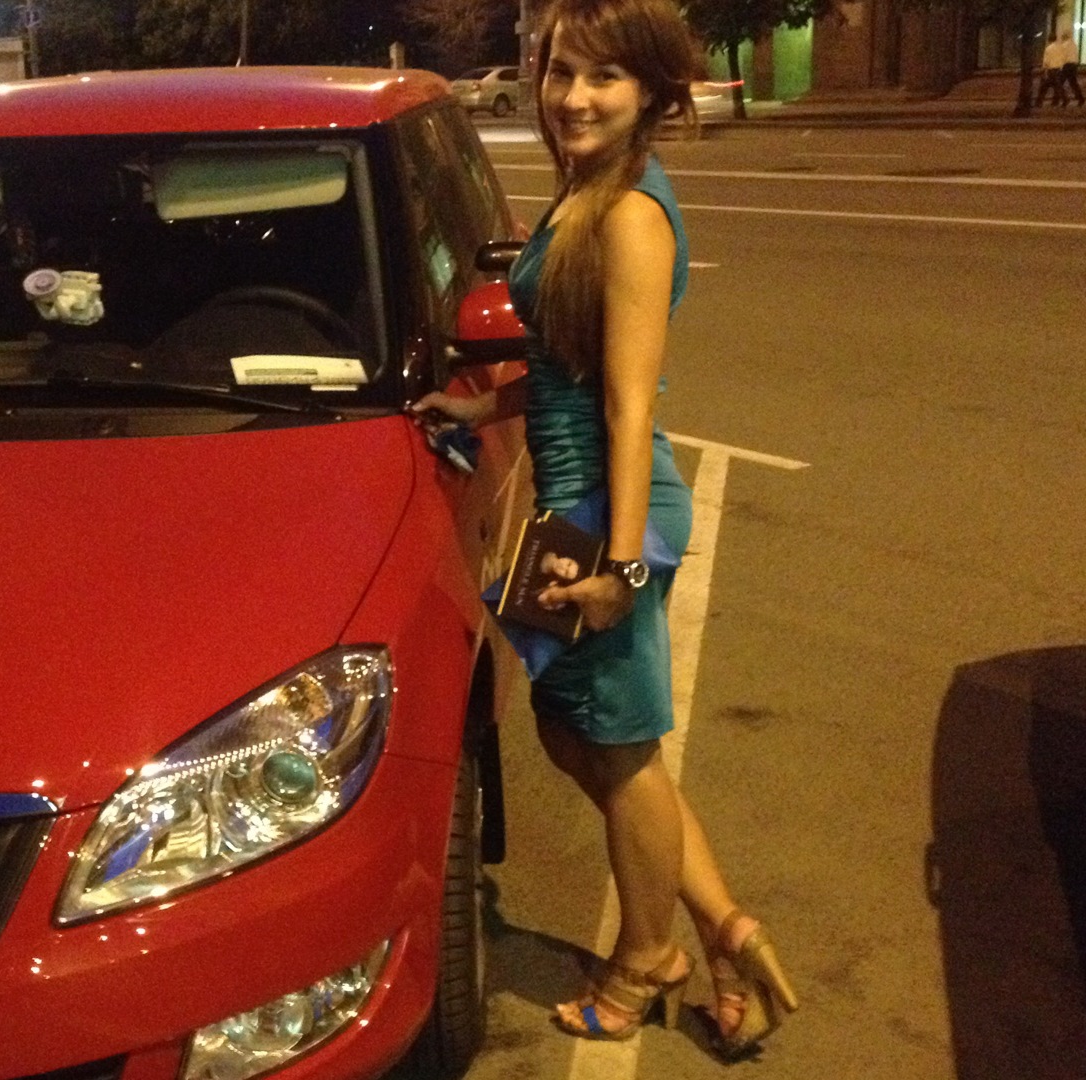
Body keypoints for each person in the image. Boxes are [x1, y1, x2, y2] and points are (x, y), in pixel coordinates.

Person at [411, 0, 800, 1055]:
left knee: (622, 755)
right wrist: (478, 409)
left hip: (607, 520)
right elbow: (564, 371)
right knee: (577, 733)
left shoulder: (629, 217)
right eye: (559, 72)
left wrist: (620, 568)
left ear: (654, 93)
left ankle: (647, 958)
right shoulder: (587, 193)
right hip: (577, 512)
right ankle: (727, 931)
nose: (573, 97)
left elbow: (628, 407)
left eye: (603, 77)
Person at [1056, 31, 1086, 107]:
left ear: (1064, 38)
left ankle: (1065, 100)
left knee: (1059, 83)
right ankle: (1081, 98)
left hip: (1067, 65)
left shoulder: (1064, 46)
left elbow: (1063, 57)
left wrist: (1060, 67)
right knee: (1073, 83)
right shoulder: (1074, 45)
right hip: (1074, 65)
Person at [1036, 34, 1066, 108]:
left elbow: (1046, 61)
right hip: (1058, 69)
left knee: (1043, 87)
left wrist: (1044, 69)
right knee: (1058, 87)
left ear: (1049, 40)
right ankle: (1063, 100)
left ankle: (1039, 103)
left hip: (1051, 70)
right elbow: (1063, 59)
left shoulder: (1048, 49)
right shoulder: (1060, 48)